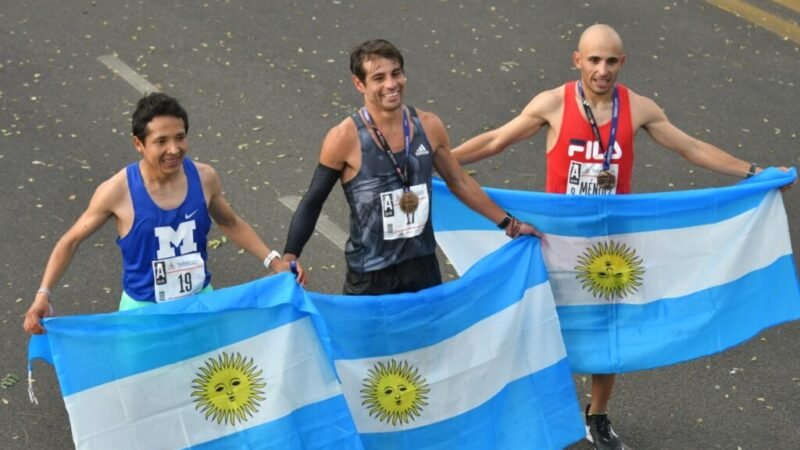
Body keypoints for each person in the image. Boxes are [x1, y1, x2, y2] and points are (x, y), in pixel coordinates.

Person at [452, 24, 793, 450]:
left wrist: (753, 173)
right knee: (541, 322)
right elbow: (496, 140)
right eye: (594, 60)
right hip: (555, 241)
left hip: (611, 246)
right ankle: (532, 407)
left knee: (606, 329)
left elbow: (691, 148)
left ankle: (597, 416)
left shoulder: (639, 108)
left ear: (622, 63)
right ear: (577, 60)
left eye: (611, 61)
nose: (602, 70)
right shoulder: (553, 104)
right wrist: (441, 163)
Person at [23, 92, 304, 335]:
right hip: (143, 315)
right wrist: (43, 295)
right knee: (142, 394)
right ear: (139, 144)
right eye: (161, 141)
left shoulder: (204, 178)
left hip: (199, 305)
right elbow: (70, 241)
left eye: (180, 137)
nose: (174, 149)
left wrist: (274, 261)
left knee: (206, 387)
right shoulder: (117, 191)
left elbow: (229, 222)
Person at [282, 39, 539, 295]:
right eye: (379, 78)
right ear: (359, 84)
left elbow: (459, 181)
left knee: (431, 337)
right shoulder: (343, 138)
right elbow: (313, 201)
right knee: (370, 338)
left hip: (422, 266)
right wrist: (291, 255)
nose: (391, 84)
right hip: (370, 275)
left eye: (396, 74)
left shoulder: (428, 126)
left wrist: (510, 224)